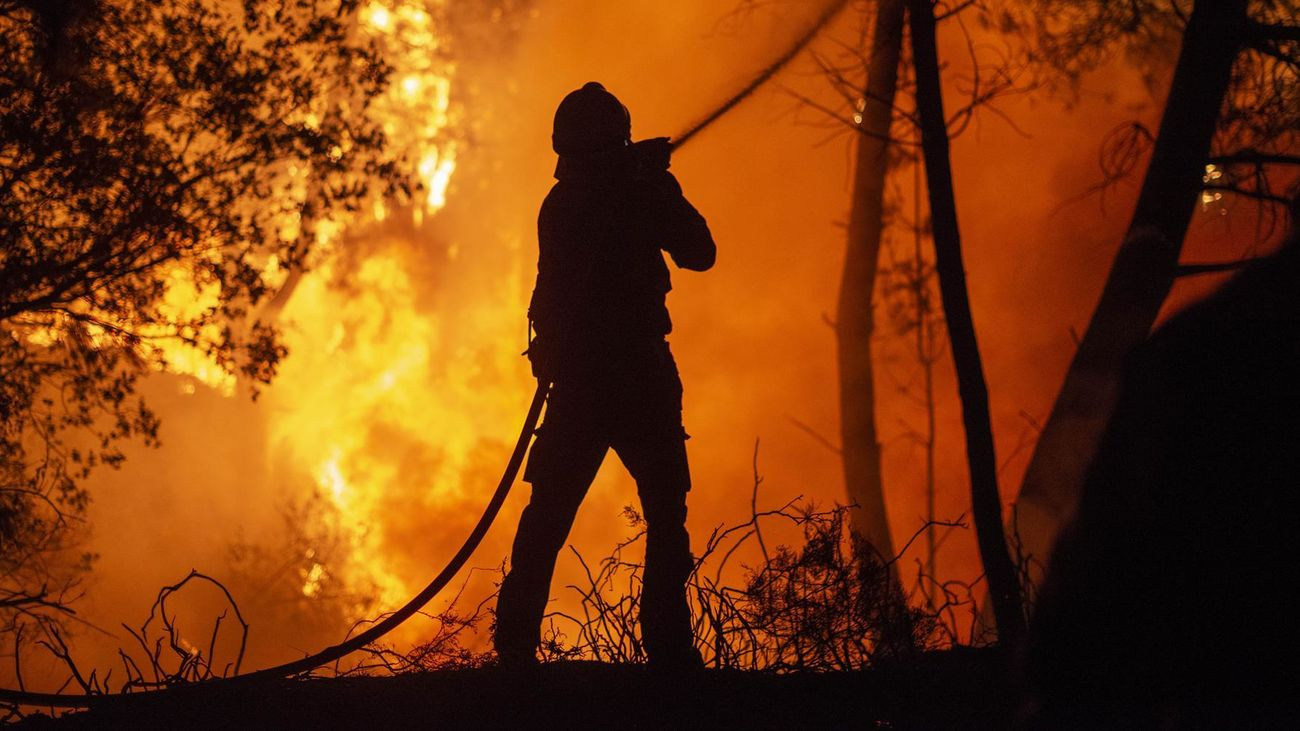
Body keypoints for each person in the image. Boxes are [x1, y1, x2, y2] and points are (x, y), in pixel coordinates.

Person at [494, 81, 716, 669]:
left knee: (549, 518)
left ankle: (515, 652)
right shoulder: (615, 195)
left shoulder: (565, 202)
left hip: (589, 379)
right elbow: (699, 251)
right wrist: (655, 186)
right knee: (663, 513)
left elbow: (698, 253)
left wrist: (652, 185)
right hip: (632, 372)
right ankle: (668, 652)